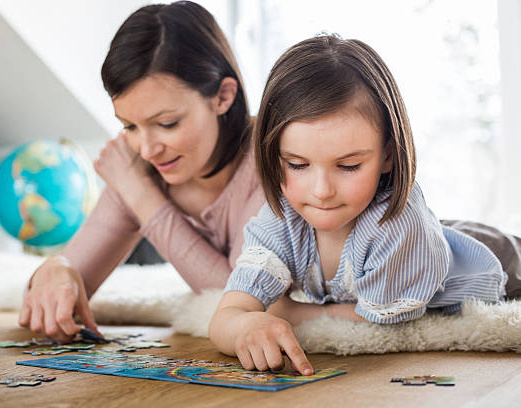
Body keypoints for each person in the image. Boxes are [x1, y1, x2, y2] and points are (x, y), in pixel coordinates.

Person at [208, 34, 521, 376]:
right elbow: (227, 314)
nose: (322, 190)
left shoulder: (397, 227)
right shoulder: (280, 220)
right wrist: (244, 325)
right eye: (297, 164)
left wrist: (291, 312)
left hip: (492, 258)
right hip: (437, 234)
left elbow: (381, 324)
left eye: (348, 166)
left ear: (388, 153)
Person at [19, 1, 264, 343]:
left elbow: (241, 299)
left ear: (222, 97)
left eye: (167, 123)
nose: (147, 149)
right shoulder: (139, 168)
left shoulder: (274, 156)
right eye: (129, 126)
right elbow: (62, 294)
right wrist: (56, 271)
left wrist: (143, 197)